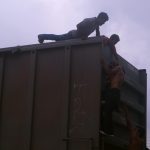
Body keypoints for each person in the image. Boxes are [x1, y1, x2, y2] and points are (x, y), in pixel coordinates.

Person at [38, 12, 109, 43]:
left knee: (58, 40)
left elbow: (97, 35)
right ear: (100, 18)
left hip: (76, 37)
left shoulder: (96, 25)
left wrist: (99, 38)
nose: (103, 23)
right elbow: (78, 25)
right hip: (72, 35)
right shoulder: (90, 20)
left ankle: (43, 36)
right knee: (58, 38)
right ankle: (42, 36)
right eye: (104, 21)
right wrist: (84, 35)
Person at [100, 59, 125, 136]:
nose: (111, 68)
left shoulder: (119, 68)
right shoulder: (119, 74)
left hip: (113, 93)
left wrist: (103, 63)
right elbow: (110, 77)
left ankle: (108, 131)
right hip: (116, 94)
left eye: (112, 66)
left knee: (107, 111)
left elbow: (109, 72)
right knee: (108, 111)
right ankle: (110, 132)